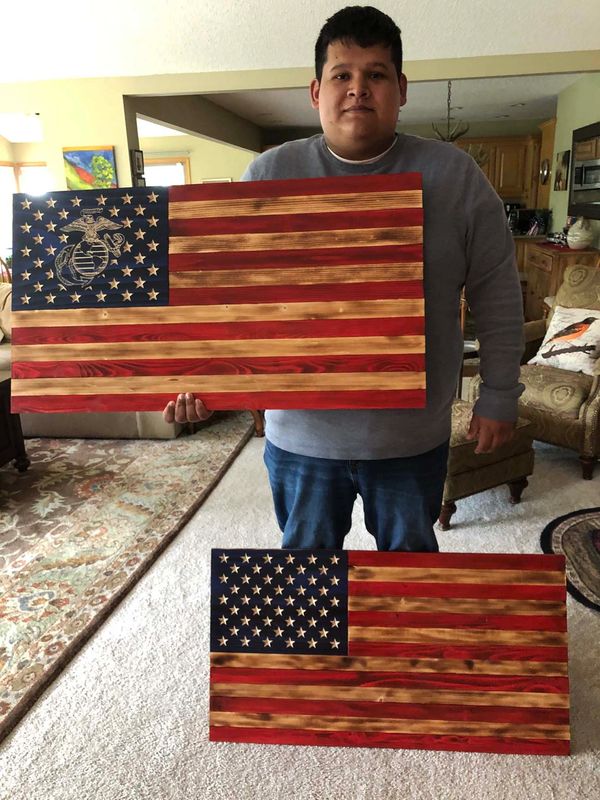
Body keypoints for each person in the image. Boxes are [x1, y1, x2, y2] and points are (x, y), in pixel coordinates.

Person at [163, 5, 524, 553]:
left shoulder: (454, 176)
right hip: (301, 437)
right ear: (316, 91)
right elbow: (225, 300)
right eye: (342, 75)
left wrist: (499, 394)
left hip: (410, 438)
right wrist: (198, 377)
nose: (359, 89)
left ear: (401, 89)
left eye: (376, 74)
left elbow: (497, 293)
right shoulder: (267, 175)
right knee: (306, 583)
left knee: (409, 582)